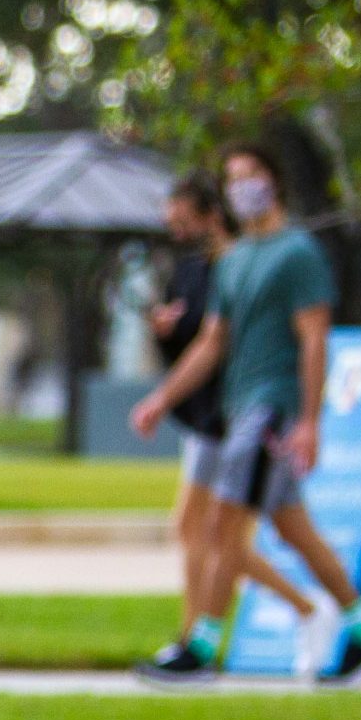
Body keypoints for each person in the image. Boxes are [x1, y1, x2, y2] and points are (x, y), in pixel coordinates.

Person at [131, 143, 361, 683]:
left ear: (275, 181)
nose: (242, 187)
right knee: (293, 530)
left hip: (272, 408)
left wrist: (310, 421)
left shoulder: (299, 254)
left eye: (252, 175)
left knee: (221, 522)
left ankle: (201, 648)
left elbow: (315, 340)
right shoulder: (236, 261)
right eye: (232, 179)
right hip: (240, 404)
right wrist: (161, 399)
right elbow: (210, 343)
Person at [143, 171, 312, 673]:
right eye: (171, 224)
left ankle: (205, 638)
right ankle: (201, 635)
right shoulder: (195, 270)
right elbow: (195, 344)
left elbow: (234, 344)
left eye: (184, 222)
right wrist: (164, 334)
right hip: (204, 416)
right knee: (202, 530)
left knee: (219, 532)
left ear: (212, 217)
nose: (177, 233)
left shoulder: (245, 266)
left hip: (236, 414)